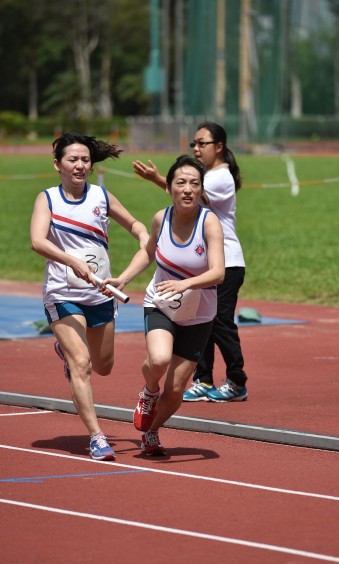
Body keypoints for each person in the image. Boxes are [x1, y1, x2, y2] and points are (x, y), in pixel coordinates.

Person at [30, 131, 149, 461]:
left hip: (100, 294)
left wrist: (142, 239)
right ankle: (97, 437)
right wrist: (71, 261)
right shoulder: (48, 199)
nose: (80, 165)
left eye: (85, 159)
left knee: (103, 366)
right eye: (72, 160)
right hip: (63, 292)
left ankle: (67, 352)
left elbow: (137, 226)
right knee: (81, 364)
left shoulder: (101, 196)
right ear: (58, 165)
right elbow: (38, 241)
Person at [102, 155, 225, 456]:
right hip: (161, 303)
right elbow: (147, 252)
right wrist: (124, 278)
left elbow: (219, 272)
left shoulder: (209, 223)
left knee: (176, 389)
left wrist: (186, 283)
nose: (187, 189)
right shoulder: (161, 218)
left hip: (198, 313)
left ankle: (152, 431)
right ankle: (148, 391)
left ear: (201, 190)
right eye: (180, 183)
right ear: (169, 187)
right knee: (158, 360)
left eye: (194, 184)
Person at [133, 121, 247, 402]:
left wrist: (160, 180)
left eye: (202, 143)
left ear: (219, 147)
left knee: (219, 321)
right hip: (199, 262)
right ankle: (204, 379)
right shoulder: (207, 174)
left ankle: (236, 380)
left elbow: (190, 198)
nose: (196, 149)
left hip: (225, 262)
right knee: (200, 319)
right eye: (193, 144)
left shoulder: (219, 177)